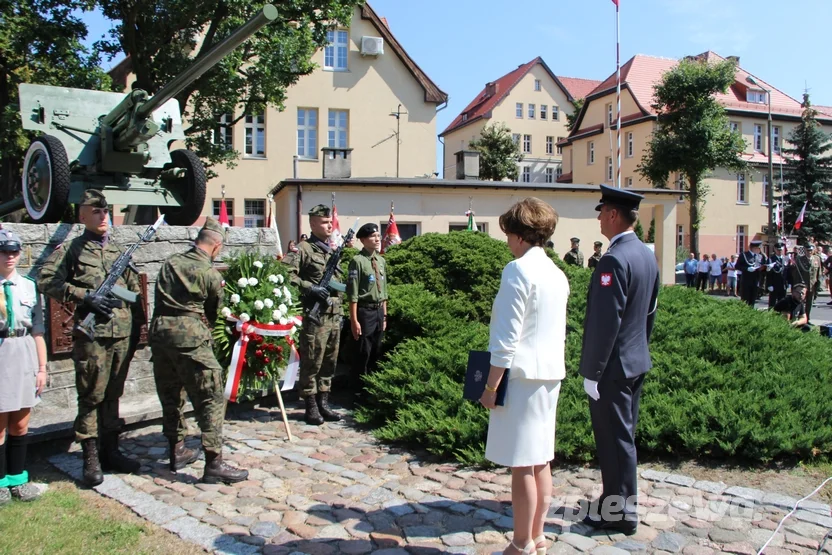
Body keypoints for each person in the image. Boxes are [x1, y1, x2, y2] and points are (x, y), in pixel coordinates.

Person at [479, 197, 568, 555]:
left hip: (520, 377)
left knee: (522, 466)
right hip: (549, 375)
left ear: (518, 235)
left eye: (508, 234)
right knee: (540, 458)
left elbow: (505, 338)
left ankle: (520, 543)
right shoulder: (556, 273)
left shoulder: (517, 270)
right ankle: (538, 536)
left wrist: (490, 386)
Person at [38, 190, 144, 487]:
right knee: (91, 396)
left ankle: (111, 451)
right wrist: (85, 296)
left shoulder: (119, 252)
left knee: (113, 394)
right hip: (93, 335)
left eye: (106, 210)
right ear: (81, 215)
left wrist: (134, 325)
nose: (103, 216)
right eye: (96, 211)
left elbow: (134, 293)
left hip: (120, 334)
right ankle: (91, 457)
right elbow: (46, 280)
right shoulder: (72, 249)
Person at [578, 185, 659, 537]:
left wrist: (592, 372)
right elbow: (649, 314)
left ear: (613, 215)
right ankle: (618, 501)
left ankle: (620, 511)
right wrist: (638, 349)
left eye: (601, 211)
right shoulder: (645, 254)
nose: (598, 218)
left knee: (613, 440)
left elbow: (604, 322)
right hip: (634, 359)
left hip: (613, 368)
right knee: (622, 437)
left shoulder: (613, 259)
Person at [149, 217, 248, 484]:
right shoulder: (210, 274)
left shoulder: (170, 263)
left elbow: (159, 298)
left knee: (170, 394)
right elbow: (214, 313)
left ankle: (176, 449)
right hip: (190, 338)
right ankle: (214, 462)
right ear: (216, 246)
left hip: (160, 335)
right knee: (212, 396)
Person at [0, 230, 48, 504]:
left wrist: (41, 368)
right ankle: (0, 483)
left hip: (24, 352)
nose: (10, 256)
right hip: (1, 353)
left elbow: (38, 331)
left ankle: (18, 480)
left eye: (14, 251)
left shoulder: (28, 286)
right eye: (4, 251)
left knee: (20, 422)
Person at [287, 205, 345, 425]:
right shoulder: (303, 249)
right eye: (324, 222)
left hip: (333, 314)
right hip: (315, 315)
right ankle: (310, 406)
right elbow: (286, 274)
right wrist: (309, 288)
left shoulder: (331, 250)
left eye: (330, 221)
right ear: (312, 224)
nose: (329, 225)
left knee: (330, 360)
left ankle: (324, 403)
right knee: (313, 360)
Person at [347, 223, 388, 392]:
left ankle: (371, 389)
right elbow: (353, 294)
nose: (377, 239)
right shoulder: (357, 261)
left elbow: (384, 291)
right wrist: (354, 320)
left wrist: (384, 315)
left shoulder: (381, 260)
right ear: (363, 240)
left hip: (378, 311)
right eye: (373, 236)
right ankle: (357, 391)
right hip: (365, 312)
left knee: (376, 352)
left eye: (378, 235)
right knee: (363, 352)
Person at [735, 240, 764, 307]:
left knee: (752, 301)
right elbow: (737, 266)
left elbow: (761, 267)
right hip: (746, 281)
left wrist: (765, 269)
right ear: (754, 248)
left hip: (755, 281)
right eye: (759, 248)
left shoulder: (759, 256)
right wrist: (747, 269)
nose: (760, 250)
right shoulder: (744, 255)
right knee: (745, 301)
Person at [766, 243, 787, 308]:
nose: (780, 251)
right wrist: (769, 284)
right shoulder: (771, 259)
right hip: (774, 284)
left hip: (783, 284)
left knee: (782, 302)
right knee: (772, 303)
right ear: (775, 249)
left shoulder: (784, 259)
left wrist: (788, 282)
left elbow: (786, 272)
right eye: (778, 250)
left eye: (781, 250)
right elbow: (768, 273)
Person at [807, 244, 822, 323]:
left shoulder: (817, 258)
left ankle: (807, 318)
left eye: (810, 250)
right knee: (799, 303)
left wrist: (818, 286)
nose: (809, 252)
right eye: (808, 250)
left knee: (809, 302)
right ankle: (798, 318)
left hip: (812, 285)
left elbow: (819, 273)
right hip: (803, 285)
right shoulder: (800, 259)